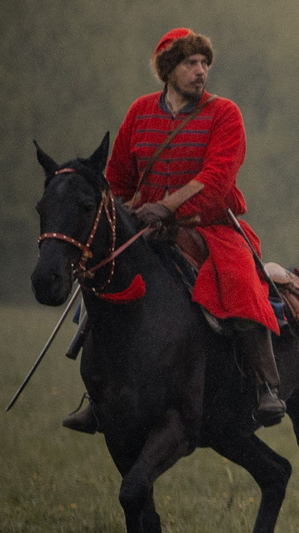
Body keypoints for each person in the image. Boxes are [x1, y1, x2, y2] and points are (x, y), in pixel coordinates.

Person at [72, 27, 284, 430]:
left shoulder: (225, 113)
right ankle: (99, 394)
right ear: (170, 69)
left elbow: (217, 177)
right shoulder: (140, 112)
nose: (201, 71)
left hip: (211, 228)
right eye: (190, 63)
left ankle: (265, 385)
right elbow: (117, 178)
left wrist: (167, 207)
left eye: (204, 63)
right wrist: (124, 216)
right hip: (145, 228)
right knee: (103, 283)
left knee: (241, 280)